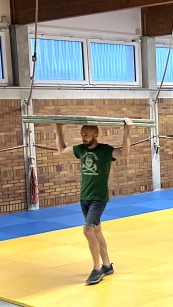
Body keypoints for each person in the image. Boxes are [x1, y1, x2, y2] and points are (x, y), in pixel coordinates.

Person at [56, 119, 132, 285]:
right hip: (84, 197)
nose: (84, 137)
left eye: (87, 135)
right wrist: (59, 128)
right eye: (82, 134)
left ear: (95, 134)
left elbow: (124, 153)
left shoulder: (105, 150)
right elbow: (61, 150)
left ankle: (97, 269)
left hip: (99, 197)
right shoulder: (81, 149)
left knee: (88, 230)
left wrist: (127, 131)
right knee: (96, 231)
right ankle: (107, 265)